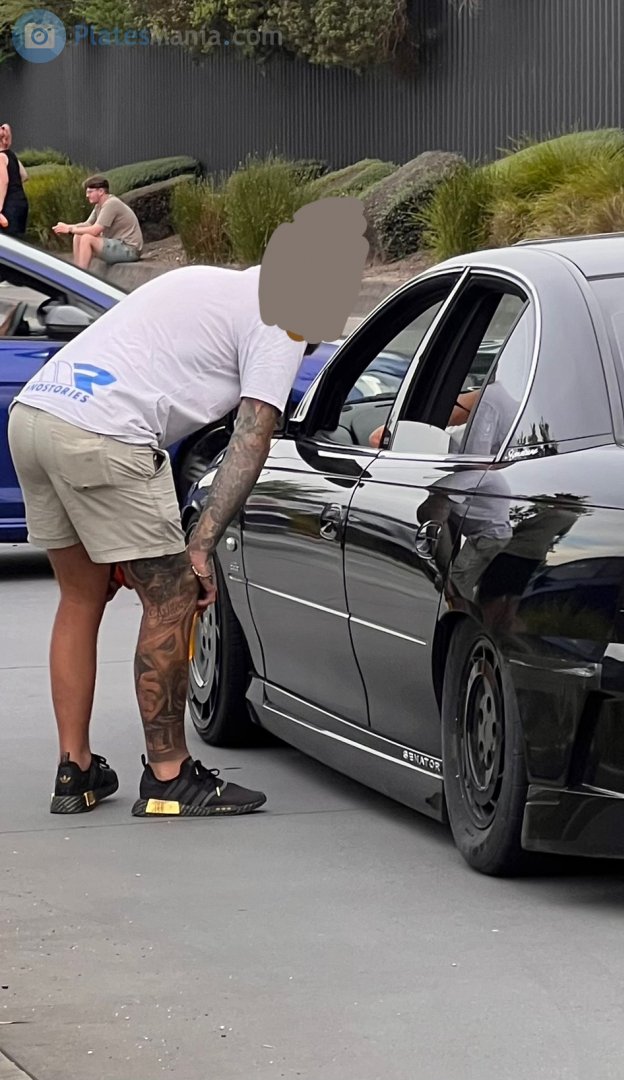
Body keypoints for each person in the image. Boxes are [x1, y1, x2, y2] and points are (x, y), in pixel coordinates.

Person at [7, 196, 367, 819]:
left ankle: (76, 769)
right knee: (173, 596)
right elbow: (252, 440)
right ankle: (170, 776)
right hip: (105, 433)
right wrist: (199, 545)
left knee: (79, 596)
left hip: (37, 416)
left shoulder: (209, 282)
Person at [52, 174, 143, 271]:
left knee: (87, 238)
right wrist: (67, 226)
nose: (87, 196)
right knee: (78, 235)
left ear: (101, 191)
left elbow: (95, 230)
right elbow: (87, 224)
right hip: (117, 245)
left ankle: (82, 276)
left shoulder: (111, 203)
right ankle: (77, 271)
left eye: (90, 192)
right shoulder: (99, 205)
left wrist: (70, 229)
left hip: (130, 249)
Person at [0, 123, 30, 237]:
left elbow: (3, 182)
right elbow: (24, 175)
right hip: (20, 202)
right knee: (18, 241)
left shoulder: (1, 157)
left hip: (9, 206)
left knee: (7, 240)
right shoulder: (11, 154)